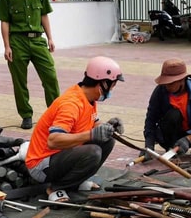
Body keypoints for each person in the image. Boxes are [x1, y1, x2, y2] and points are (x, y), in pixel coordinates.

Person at [25, 56, 125, 201]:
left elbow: (93, 124)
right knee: (93, 152)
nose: (113, 89)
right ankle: (55, 188)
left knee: (108, 141)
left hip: (61, 155)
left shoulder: (88, 99)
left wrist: (108, 126)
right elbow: (53, 141)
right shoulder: (71, 104)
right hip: (41, 164)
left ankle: (75, 182)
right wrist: (91, 135)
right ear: (103, 83)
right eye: (113, 85)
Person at [0, 0, 60, 130]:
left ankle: (55, 114)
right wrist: (6, 46)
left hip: (38, 41)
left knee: (50, 77)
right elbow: (4, 22)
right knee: (19, 81)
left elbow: (44, 16)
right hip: (17, 42)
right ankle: (26, 115)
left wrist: (50, 38)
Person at [142, 58, 191, 159]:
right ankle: (172, 149)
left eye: (171, 83)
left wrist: (189, 138)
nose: (167, 86)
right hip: (171, 135)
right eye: (165, 82)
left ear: (182, 80)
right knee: (174, 114)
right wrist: (149, 146)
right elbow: (151, 119)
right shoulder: (160, 91)